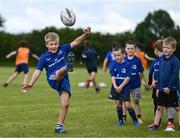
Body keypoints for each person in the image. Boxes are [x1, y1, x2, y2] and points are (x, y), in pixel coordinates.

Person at [20, 27, 91, 134]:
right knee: (58, 73)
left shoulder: (63, 49)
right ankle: (68, 66)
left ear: (58, 43)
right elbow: (37, 71)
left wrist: (85, 35)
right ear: (47, 45)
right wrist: (30, 84)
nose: (54, 46)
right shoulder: (44, 57)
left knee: (65, 104)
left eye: (55, 44)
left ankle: (59, 127)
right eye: (51, 44)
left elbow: (76, 42)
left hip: (64, 80)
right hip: (52, 78)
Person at [148, 37, 179, 131]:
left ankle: (175, 125)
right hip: (161, 88)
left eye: (168, 48)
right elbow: (159, 74)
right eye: (164, 47)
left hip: (172, 88)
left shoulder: (175, 61)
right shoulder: (161, 59)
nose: (165, 49)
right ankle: (155, 125)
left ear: (173, 49)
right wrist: (158, 88)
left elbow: (175, 76)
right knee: (159, 107)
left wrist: (169, 87)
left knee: (174, 107)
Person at [108, 46, 140, 126]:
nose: (117, 57)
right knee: (118, 104)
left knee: (127, 105)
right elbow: (112, 76)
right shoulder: (112, 64)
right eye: (115, 56)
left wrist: (121, 87)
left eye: (118, 55)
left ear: (123, 55)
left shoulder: (127, 65)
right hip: (115, 87)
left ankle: (135, 120)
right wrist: (115, 86)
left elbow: (128, 77)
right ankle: (120, 120)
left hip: (125, 87)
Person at [124, 40, 148, 124]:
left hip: (136, 85)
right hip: (125, 85)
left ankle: (139, 117)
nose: (130, 50)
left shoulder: (137, 60)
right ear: (125, 49)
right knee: (125, 102)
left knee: (136, 101)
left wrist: (144, 82)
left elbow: (141, 73)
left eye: (132, 48)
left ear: (135, 50)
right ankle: (123, 118)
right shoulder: (122, 59)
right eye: (128, 48)